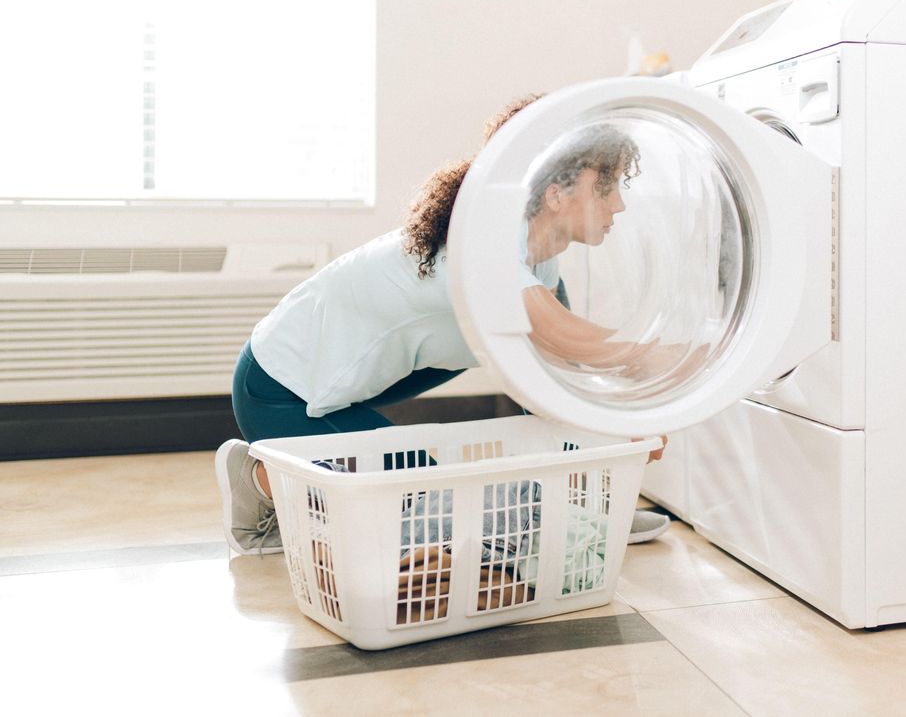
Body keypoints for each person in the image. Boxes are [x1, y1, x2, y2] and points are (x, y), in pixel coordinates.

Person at [214, 93, 671, 557]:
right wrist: (670, 361)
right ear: (556, 192)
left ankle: (576, 516)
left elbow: (558, 372)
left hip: (343, 382)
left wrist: (616, 437)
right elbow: (570, 340)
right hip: (278, 388)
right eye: (606, 187)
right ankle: (258, 477)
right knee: (420, 499)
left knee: (425, 487)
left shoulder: (535, 257)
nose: (619, 205)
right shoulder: (480, 248)